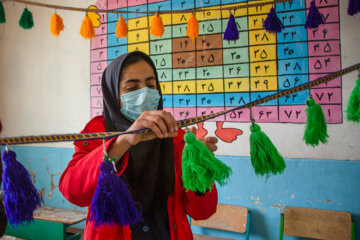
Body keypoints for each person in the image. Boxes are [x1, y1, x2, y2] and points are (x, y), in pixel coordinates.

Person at [59, 51, 219, 240]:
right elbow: (73, 192)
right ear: (113, 94)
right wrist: (123, 141)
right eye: (132, 87)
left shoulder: (175, 136)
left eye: (151, 85)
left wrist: (199, 171)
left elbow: (203, 212)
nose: (144, 94)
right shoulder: (97, 132)